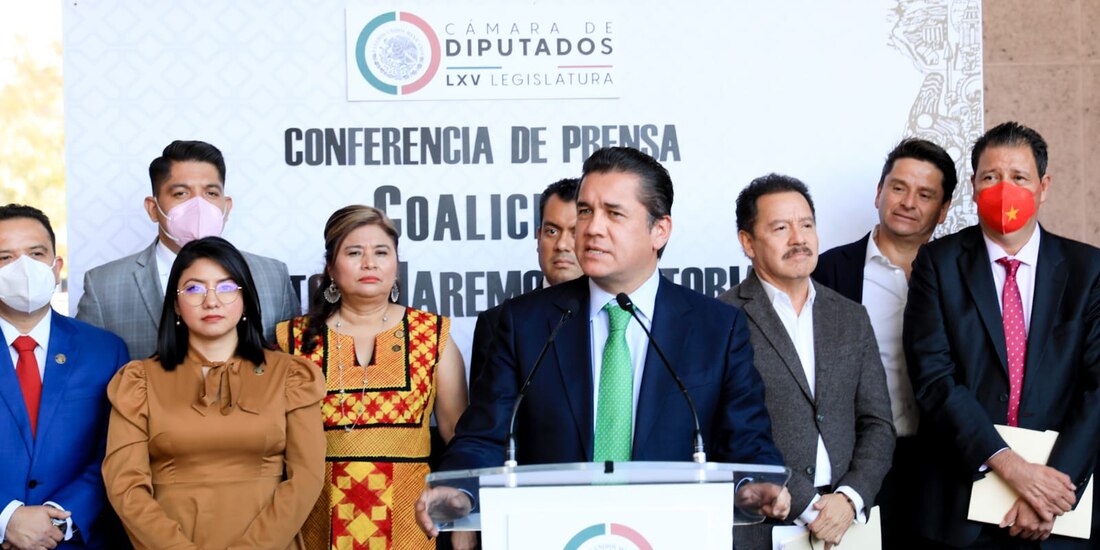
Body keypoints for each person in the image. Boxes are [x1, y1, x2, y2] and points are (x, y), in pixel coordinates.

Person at [416, 146, 790, 537]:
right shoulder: (525, 322)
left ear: (659, 230)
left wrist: (755, 485)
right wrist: (455, 486)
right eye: (585, 211)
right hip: (549, 535)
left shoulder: (717, 327)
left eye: (614, 213)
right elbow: (484, 435)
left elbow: (747, 440)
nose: (591, 228)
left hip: (672, 535)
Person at [904, 121, 1100, 548]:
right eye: (990, 178)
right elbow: (935, 378)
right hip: (960, 507)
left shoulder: (1088, 270)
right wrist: (1009, 465)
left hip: (1060, 511)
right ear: (973, 187)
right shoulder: (937, 264)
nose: (1003, 189)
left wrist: (1049, 492)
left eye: (1019, 178)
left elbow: (1097, 388)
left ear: (1043, 186)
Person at [102, 237, 325, 549]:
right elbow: (125, 486)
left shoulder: (290, 375)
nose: (211, 300)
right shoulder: (139, 381)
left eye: (226, 287)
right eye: (194, 288)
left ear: (245, 298)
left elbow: (307, 477)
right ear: (176, 304)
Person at [276, 205, 468, 550]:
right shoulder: (291, 340)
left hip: (412, 524)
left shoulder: (433, 334)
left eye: (382, 252)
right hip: (315, 520)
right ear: (331, 268)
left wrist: (464, 523)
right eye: (354, 252)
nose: (369, 263)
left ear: (396, 265)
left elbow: (460, 438)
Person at [719, 175, 895, 549]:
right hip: (763, 524)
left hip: (848, 525)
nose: (798, 238)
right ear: (747, 242)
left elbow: (877, 423)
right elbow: (728, 432)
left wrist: (851, 497)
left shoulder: (850, 316)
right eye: (781, 228)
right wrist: (807, 504)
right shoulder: (721, 317)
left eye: (807, 225)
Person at [812, 138, 957, 546]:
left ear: (943, 210)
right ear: (879, 192)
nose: (908, 202)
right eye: (898, 187)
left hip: (945, 463)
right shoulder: (825, 273)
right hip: (857, 466)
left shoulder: (964, 277)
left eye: (925, 194)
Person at [77, 140, 299, 359]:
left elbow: (290, 367)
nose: (198, 206)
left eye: (211, 193)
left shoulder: (272, 276)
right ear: (153, 209)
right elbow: (87, 374)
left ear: (227, 207)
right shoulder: (103, 286)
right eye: (181, 194)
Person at [0, 204, 129, 549]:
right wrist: (5, 518)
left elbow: (115, 450)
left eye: (36, 253)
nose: (22, 267)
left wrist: (58, 516)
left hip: (74, 538)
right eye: (5, 257)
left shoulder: (105, 351)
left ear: (56, 268)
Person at [469, 177, 582, 385]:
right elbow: (491, 416)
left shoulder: (616, 317)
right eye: (552, 231)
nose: (562, 245)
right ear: (539, 238)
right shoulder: (496, 325)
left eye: (575, 233)